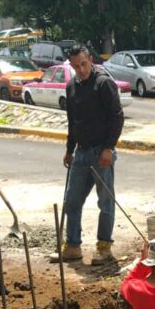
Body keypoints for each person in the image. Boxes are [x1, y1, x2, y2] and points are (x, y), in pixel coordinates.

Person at [49, 44, 125, 266]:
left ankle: (104, 248)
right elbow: (73, 121)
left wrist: (109, 148)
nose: (81, 70)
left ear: (90, 60)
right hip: (81, 153)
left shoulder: (103, 84)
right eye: (76, 66)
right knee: (71, 200)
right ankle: (72, 246)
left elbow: (117, 117)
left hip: (102, 152)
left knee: (105, 202)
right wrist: (69, 148)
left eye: (84, 64)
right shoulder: (71, 86)